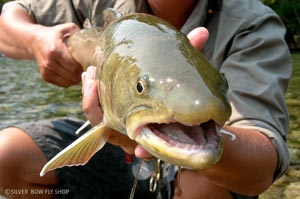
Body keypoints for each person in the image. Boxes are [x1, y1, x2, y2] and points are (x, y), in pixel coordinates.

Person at [0, 0, 292, 199]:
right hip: (118, 143)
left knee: (203, 188)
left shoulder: (252, 24)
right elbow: (9, 19)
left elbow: (263, 164)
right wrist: (38, 41)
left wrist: (174, 146)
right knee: (7, 154)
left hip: (201, 160)